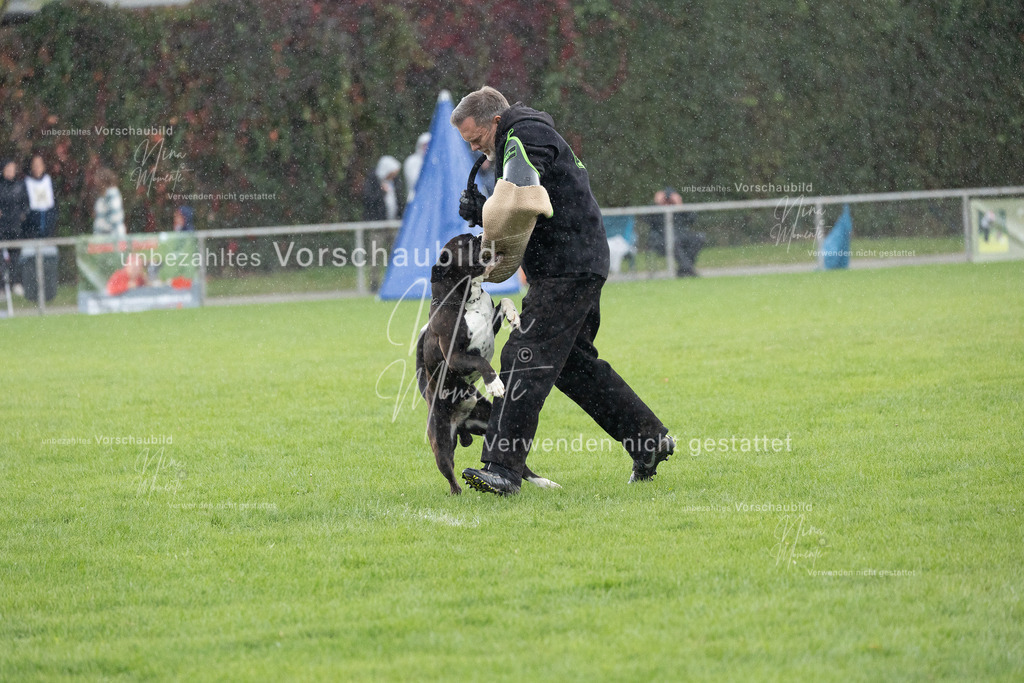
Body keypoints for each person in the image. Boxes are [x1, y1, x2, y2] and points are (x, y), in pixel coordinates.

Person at [452, 86, 674, 496]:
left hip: (567, 270)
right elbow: (531, 201)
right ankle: (648, 441)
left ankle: (502, 468)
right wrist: (483, 208)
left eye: (477, 139)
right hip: (579, 262)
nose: (474, 149)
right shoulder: (526, 137)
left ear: (495, 121)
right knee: (574, 366)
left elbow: (519, 193)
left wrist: (488, 211)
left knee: (523, 353)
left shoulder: (522, 135)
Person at [363, 155, 404, 293]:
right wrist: (382, 193)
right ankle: (374, 284)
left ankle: (397, 281)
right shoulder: (373, 181)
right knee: (375, 256)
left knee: (398, 254)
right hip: (377, 225)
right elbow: (368, 200)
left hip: (393, 224)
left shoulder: (396, 181)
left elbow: (400, 199)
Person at [650, 187, 705, 277]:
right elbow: (645, 218)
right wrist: (657, 204)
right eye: (666, 200)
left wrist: (680, 205)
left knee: (699, 237)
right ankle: (688, 269)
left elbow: (692, 218)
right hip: (661, 240)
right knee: (673, 241)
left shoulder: (678, 210)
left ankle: (684, 269)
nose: (668, 202)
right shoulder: (656, 211)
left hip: (680, 237)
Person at [24, 154, 58, 238]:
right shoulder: (25, 184)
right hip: (31, 226)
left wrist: (53, 217)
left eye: (39, 165)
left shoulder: (50, 182)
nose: (37, 167)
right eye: (34, 165)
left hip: (48, 223)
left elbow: (55, 204)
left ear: (44, 166)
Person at [92, 167, 126, 236]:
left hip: (112, 236)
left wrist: (105, 228)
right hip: (103, 236)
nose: (95, 180)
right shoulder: (102, 195)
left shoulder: (112, 193)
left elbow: (115, 215)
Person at [403, 132, 430, 203]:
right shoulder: (412, 161)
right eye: (425, 145)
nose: (427, 147)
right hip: (415, 199)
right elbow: (415, 181)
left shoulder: (434, 162)